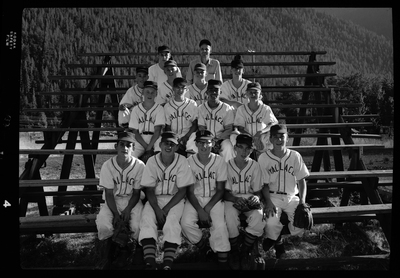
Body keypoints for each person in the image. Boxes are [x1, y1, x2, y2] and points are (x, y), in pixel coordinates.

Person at [138, 131, 194, 270]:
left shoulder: (182, 161)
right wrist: (157, 209)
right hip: (155, 199)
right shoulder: (152, 161)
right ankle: (150, 262)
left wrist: (165, 210)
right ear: (160, 144)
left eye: (172, 144)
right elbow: (149, 190)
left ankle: (167, 263)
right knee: (146, 219)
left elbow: (182, 191)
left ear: (176, 147)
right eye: (166, 143)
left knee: (172, 222)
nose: (168, 146)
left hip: (175, 199)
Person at [258, 124, 310, 259]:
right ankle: (278, 243)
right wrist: (268, 202)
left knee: (302, 223)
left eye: (282, 136)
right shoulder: (264, 158)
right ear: (270, 139)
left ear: (287, 138)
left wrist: (303, 202)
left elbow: (302, 181)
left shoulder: (295, 156)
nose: (279, 139)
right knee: (270, 222)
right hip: (273, 196)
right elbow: (264, 185)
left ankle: (275, 237)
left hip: (292, 197)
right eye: (275, 137)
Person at [181, 129, 230, 269]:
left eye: (207, 143)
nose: (204, 146)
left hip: (214, 198)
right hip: (195, 199)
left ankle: (223, 262)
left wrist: (207, 209)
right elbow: (189, 192)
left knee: (220, 226)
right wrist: (200, 210)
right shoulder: (189, 162)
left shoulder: (219, 161)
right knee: (186, 224)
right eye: (200, 143)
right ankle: (205, 247)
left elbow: (221, 190)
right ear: (195, 144)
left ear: (213, 143)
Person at [95, 131, 145, 269]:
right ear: (116, 146)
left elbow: (136, 193)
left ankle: (136, 252)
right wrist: (116, 214)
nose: (125, 148)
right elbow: (109, 194)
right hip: (113, 201)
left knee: (137, 225)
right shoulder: (107, 165)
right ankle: (109, 254)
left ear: (133, 148)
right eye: (122, 144)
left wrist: (128, 210)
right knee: (104, 225)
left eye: (129, 145)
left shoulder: (140, 166)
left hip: (132, 200)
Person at [224, 133, 267, 270]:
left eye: (247, 148)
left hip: (249, 198)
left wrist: (257, 198)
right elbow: (224, 192)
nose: (244, 151)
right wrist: (235, 199)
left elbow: (258, 191)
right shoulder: (226, 165)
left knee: (259, 217)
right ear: (235, 148)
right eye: (241, 147)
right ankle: (234, 250)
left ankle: (245, 250)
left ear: (251, 149)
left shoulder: (255, 165)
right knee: (230, 216)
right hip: (232, 198)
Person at [231, 82, 278, 160]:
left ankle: (271, 159)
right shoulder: (241, 109)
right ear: (246, 94)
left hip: (262, 138)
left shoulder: (265, 108)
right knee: (233, 136)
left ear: (260, 95)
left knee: (273, 134)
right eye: (250, 92)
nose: (253, 94)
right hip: (246, 138)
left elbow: (272, 124)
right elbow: (240, 128)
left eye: (255, 92)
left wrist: (260, 132)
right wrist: (252, 139)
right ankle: (240, 159)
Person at [197, 79, 236, 163]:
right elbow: (201, 128)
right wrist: (210, 141)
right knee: (194, 146)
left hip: (222, 139)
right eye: (211, 90)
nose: (213, 92)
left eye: (216, 90)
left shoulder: (227, 108)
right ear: (207, 92)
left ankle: (228, 172)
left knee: (228, 148)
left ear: (220, 92)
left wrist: (218, 141)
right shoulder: (201, 108)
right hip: (206, 139)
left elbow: (229, 129)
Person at [128, 81, 165, 162]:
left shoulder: (159, 109)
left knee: (159, 154)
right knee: (130, 156)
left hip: (155, 138)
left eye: (152, 92)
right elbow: (135, 132)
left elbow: (157, 131)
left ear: (156, 94)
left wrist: (149, 148)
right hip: (139, 139)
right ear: (142, 93)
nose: (150, 94)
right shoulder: (136, 109)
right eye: (147, 92)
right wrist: (147, 148)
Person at [164, 77, 199, 156]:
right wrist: (174, 138)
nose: (180, 90)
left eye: (183, 88)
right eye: (177, 87)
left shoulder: (192, 104)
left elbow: (195, 124)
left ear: (186, 89)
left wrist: (186, 137)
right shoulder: (167, 106)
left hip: (189, 135)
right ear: (173, 88)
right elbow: (168, 127)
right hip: (174, 135)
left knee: (192, 148)